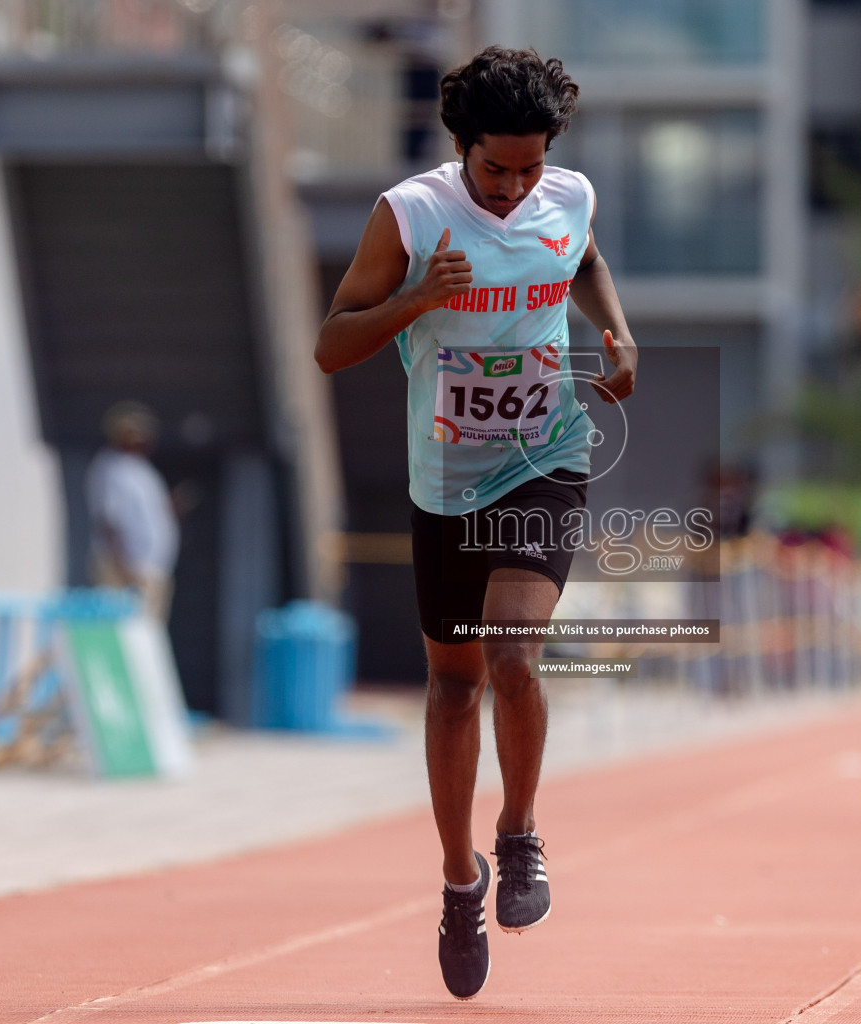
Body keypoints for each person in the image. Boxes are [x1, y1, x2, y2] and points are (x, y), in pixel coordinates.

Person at [315, 47, 637, 999]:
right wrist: (418, 299)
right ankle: (462, 877)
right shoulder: (410, 214)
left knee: (513, 657)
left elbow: (584, 259)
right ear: (462, 149)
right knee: (453, 688)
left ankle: (521, 832)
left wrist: (617, 331)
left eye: (529, 168)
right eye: (496, 168)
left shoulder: (567, 198)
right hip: (443, 479)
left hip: (545, 458)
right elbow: (333, 343)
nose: (513, 187)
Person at [86, 401, 179, 623]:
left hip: (152, 568)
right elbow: (109, 521)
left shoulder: (143, 470)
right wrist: (125, 567)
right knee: (123, 631)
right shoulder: (111, 467)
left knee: (147, 635)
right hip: (127, 569)